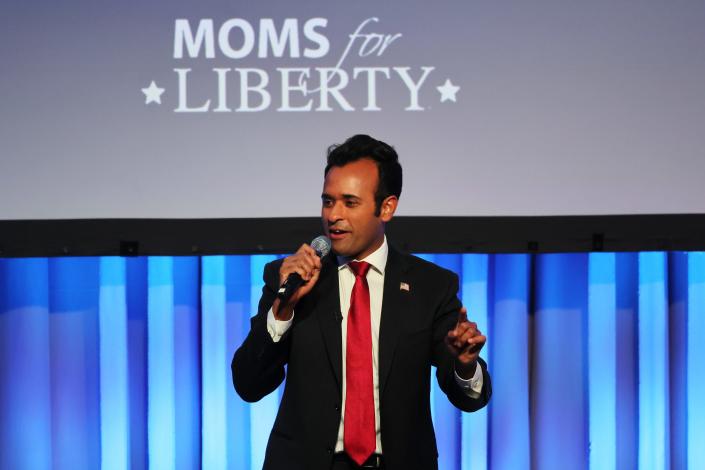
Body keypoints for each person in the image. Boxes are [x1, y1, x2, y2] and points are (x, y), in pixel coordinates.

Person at [232, 135, 491, 470]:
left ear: (387, 207)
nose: (333, 216)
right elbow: (248, 384)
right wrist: (283, 310)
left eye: (349, 203)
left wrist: (465, 365)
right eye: (328, 201)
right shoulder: (291, 278)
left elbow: (468, 398)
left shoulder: (431, 286)